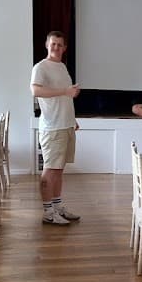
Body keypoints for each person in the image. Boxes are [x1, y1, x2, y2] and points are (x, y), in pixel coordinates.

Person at [30, 31, 81, 225]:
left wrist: (72, 118)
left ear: (64, 47)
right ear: (47, 45)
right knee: (50, 170)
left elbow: (64, 98)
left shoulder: (61, 67)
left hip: (65, 124)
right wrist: (65, 91)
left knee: (59, 170)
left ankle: (57, 206)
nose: (56, 48)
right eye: (53, 44)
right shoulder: (41, 67)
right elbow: (35, 90)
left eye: (60, 45)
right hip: (52, 127)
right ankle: (48, 213)